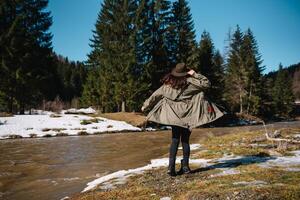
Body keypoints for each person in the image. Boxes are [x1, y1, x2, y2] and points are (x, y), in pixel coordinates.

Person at [141, 63, 224, 176]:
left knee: (175, 140)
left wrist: (145, 106)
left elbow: (155, 96)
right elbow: (207, 83)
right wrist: (195, 74)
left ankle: (171, 168)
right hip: (189, 115)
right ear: (186, 72)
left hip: (174, 116)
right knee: (185, 140)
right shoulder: (192, 84)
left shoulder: (167, 85)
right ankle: (185, 167)